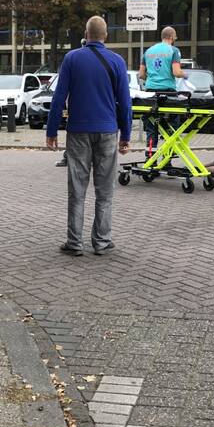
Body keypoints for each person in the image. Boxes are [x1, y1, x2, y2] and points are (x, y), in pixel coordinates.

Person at [46, 16, 132, 257]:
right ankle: (102, 241)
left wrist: (51, 130)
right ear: (106, 36)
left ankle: (74, 242)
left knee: (77, 189)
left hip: (78, 131)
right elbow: (125, 102)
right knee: (105, 191)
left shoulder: (72, 59)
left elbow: (59, 97)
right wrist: (126, 134)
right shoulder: (117, 61)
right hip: (107, 131)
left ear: (86, 34)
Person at [137, 27, 185, 155]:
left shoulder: (148, 51)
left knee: (151, 127)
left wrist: (152, 78)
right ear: (172, 37)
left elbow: (141, 74)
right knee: (171, 127)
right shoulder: (174, 50)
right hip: (168, 92)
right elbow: (176, 72)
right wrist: (185, 75)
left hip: (150, 93)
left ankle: (150, 159)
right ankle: (166, 159)